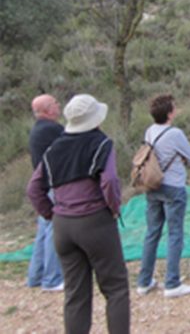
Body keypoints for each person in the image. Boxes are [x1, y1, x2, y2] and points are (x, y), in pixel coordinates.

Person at [26, 94, 129, 334]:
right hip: (95, 220)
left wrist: (51, 214)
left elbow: (33, 188)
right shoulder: (101, 143)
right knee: (115, 288)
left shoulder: (54, 149)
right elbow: (110, 181)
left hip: (63, 226)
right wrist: (113, 208)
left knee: (75, 294)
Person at [137, 94, 190, 298]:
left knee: (152, 233)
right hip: (173, 186)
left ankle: (144, 281)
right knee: (174, 234)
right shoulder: (175, 133)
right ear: (170, 113)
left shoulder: (150, 131)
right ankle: (172, 283)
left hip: (153, 186)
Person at [27, 94, 65, 292]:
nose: (59, 106)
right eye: (55, 103)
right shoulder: (52, 129)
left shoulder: (38, 130)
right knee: (53, 230)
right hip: (53, 186)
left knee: (43, 231)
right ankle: (51, 278)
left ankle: (36, 275)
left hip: (42, 187)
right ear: (48, 109)